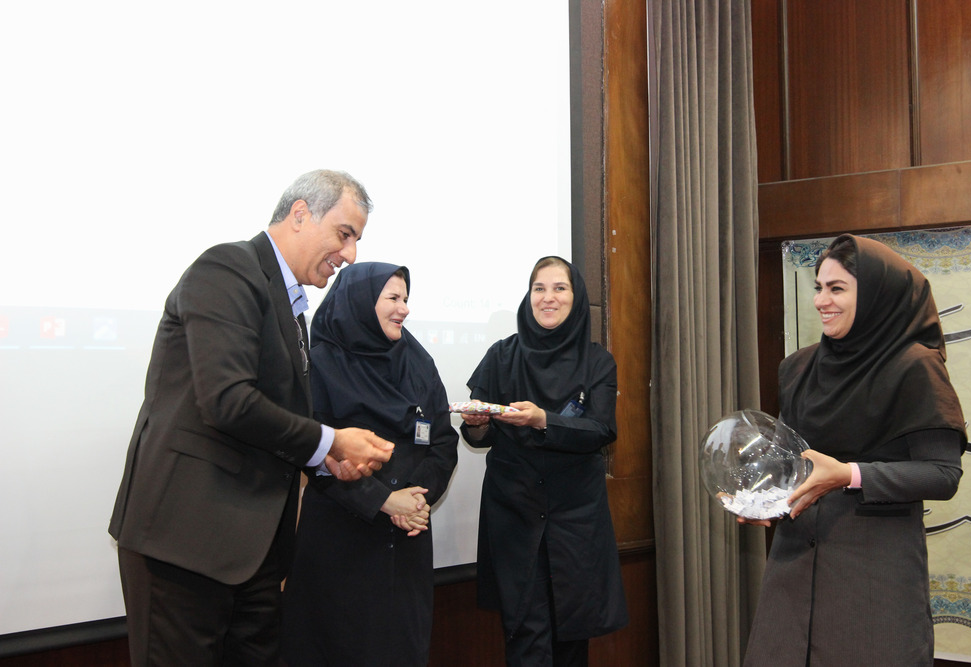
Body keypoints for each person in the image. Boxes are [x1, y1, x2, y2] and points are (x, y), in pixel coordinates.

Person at [108, 169, 395, 667]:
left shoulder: (295, 308)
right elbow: (228, 401)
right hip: (184, 542)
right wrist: (330, 442)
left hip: (255, 555)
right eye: (344, 234)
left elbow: (276, 421)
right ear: (300, 214)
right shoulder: (228, 268)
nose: (350, 255)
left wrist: (326, 461)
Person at [742, 234, 967, 666]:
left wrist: (849, 475)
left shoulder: (915, 366)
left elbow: (943, 474)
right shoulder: (798, 367)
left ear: (877, 295)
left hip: (872, 581)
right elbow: (790, 461)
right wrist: (763, 499)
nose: (821, 301)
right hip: (792, 571)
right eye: (818, 287)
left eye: (837, 288)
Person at [280, 262, 459, 666]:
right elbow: (315, 454)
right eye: (393, 298)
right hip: (341, 542)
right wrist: (383, 500)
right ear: (360, 302)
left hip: (407, 541)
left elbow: (443, 440)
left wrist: (415, 500)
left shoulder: (418, 360)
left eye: (406, 298)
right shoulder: (319, 363)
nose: (404, 308)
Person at [460, 256, 628, 667]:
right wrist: (477, 424)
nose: (548, 298)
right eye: (539, 288)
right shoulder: (501, 355)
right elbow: (478, 436)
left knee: (571, 637)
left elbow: (601, 430)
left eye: (559, 288)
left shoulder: (597, 361)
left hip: (575, 522)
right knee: (524, 636)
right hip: (514, 516)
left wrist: (543, 420)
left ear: (576, 297)